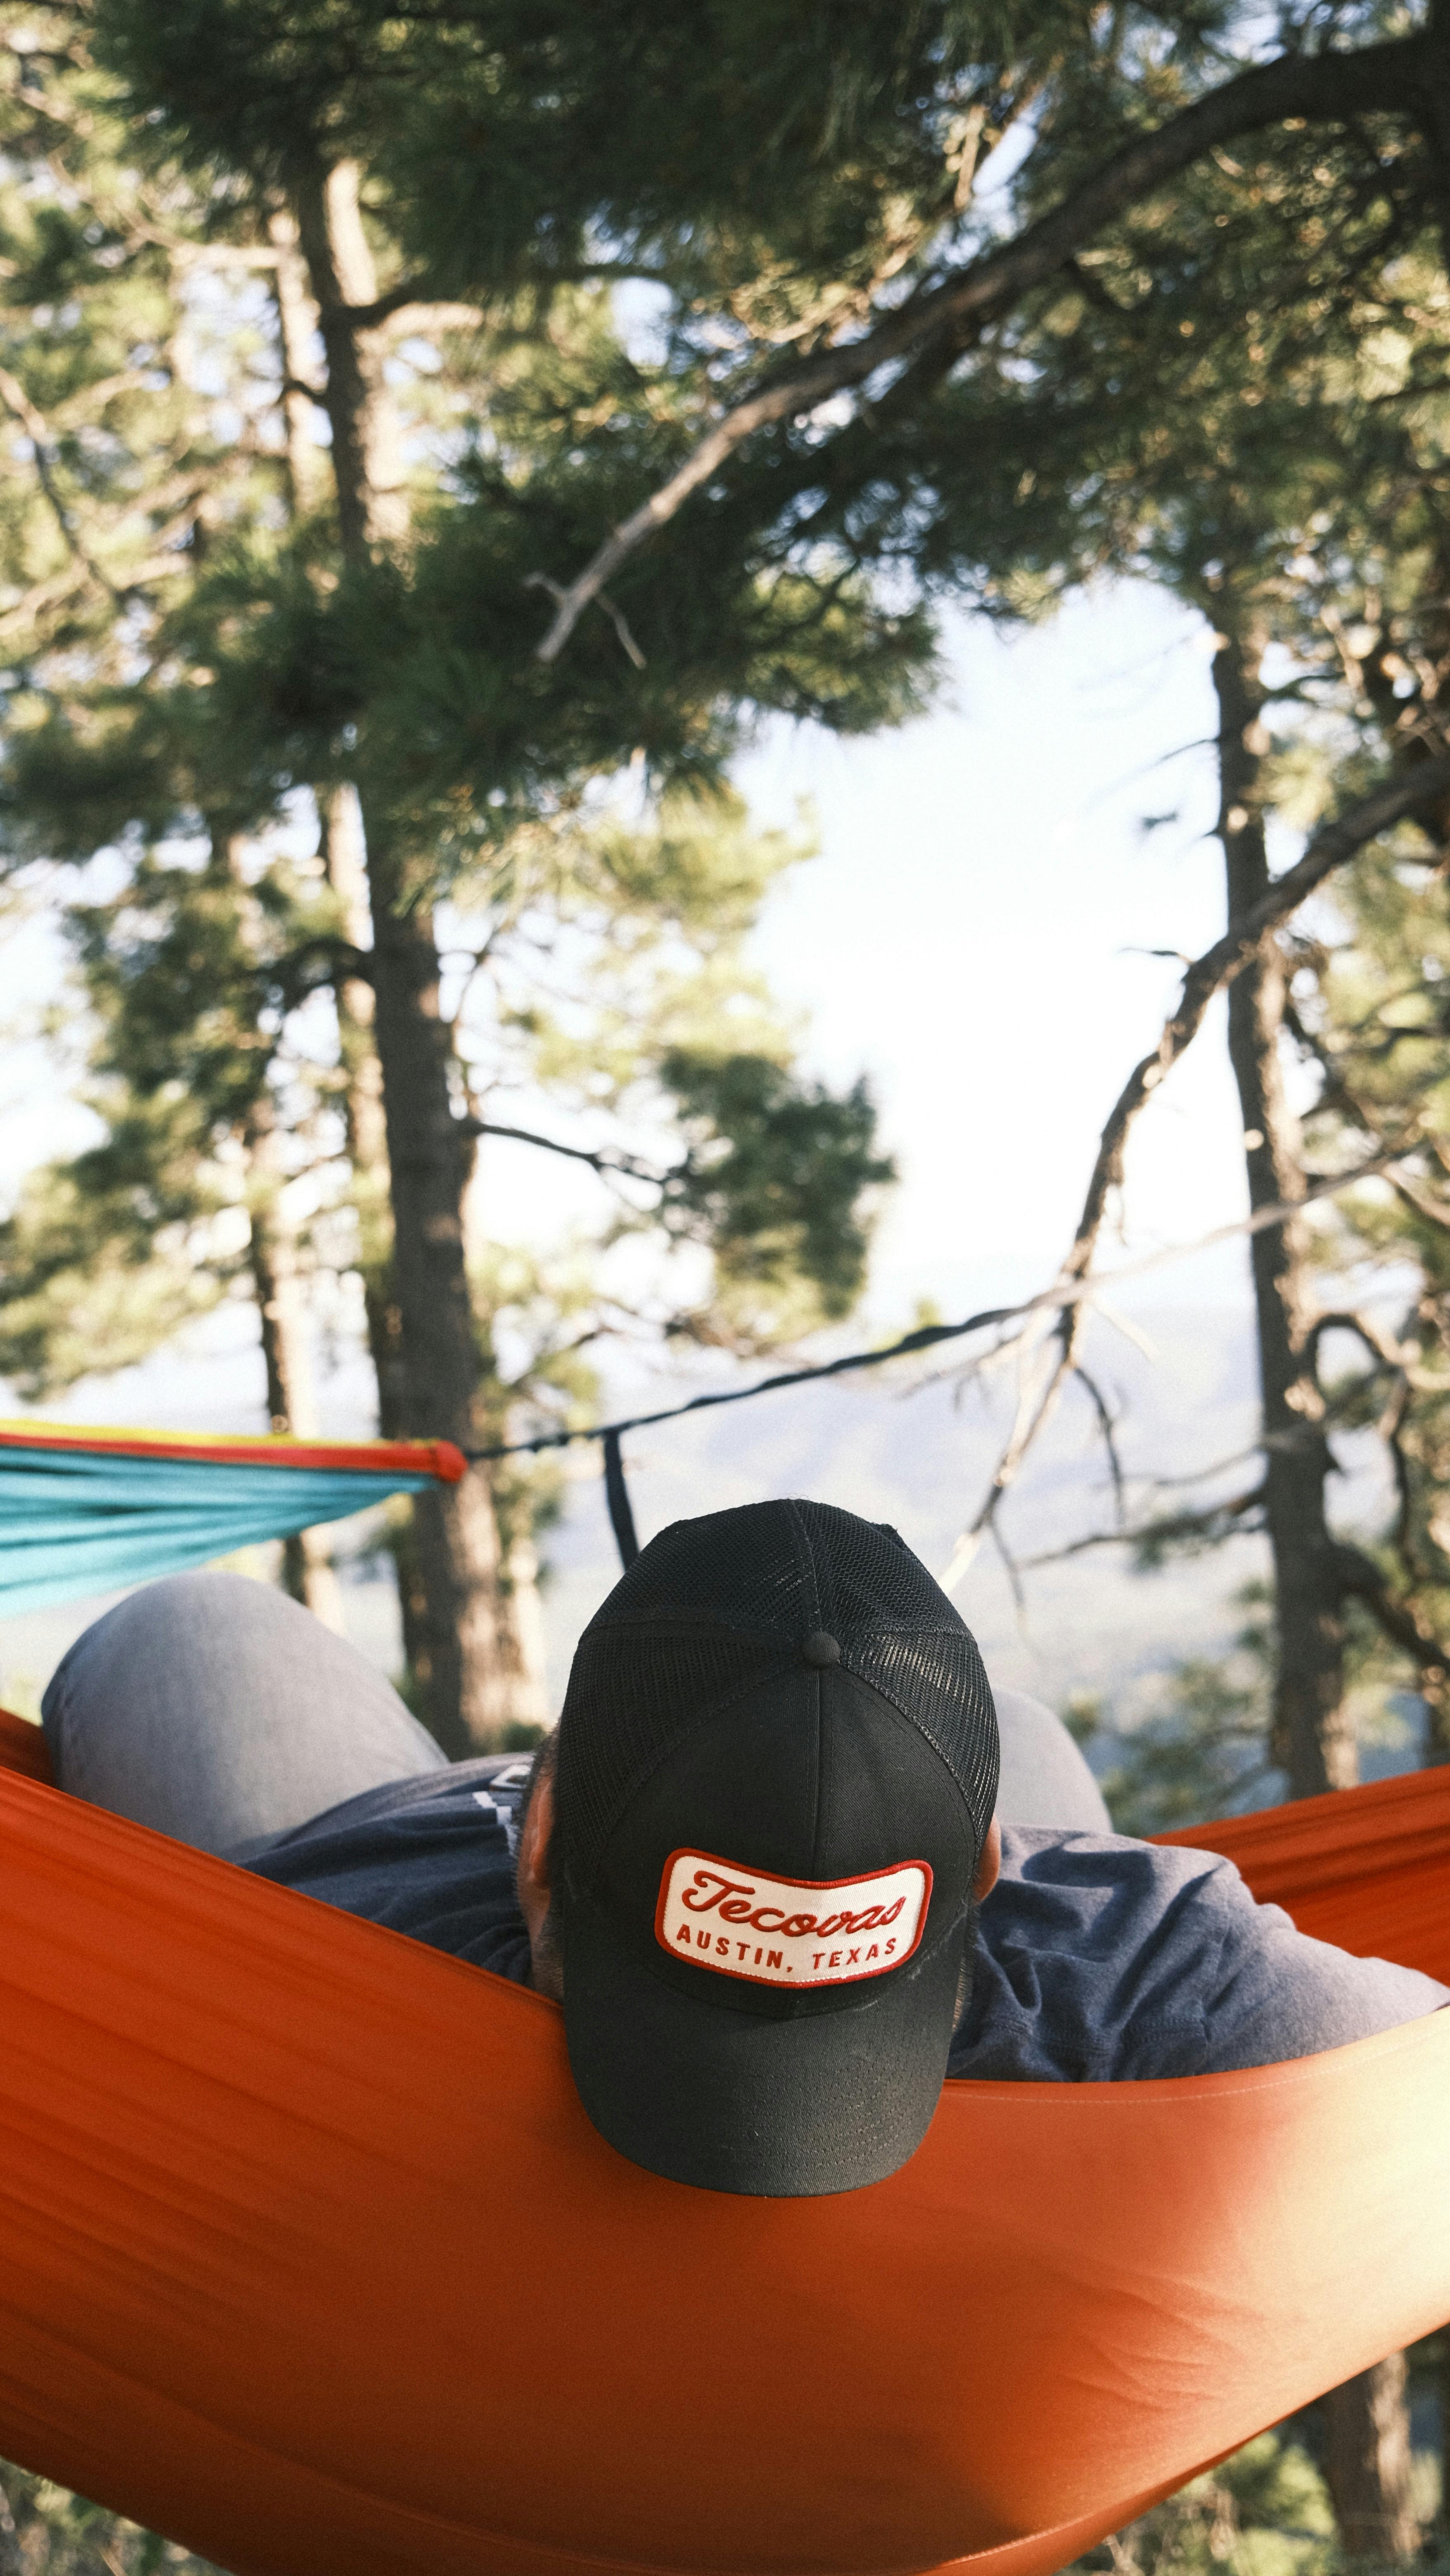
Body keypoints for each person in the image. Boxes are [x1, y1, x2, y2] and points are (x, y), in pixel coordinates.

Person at [41, 1497, 1446, 2196]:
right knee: (998, 1714)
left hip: (392, 1824)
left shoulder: (327, 1952)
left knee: (192, 1629)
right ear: (995, 1871)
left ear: (536, 1847)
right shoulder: (1148, 1958)